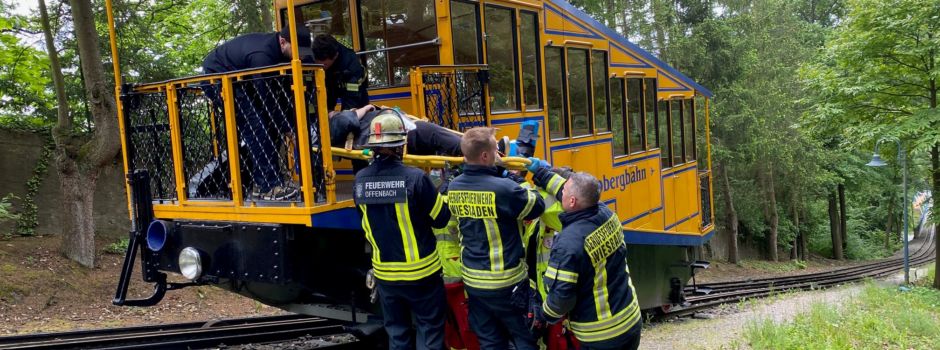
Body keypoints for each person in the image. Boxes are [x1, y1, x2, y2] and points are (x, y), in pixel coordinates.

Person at [353, 109, 451, 350]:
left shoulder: (360, 180)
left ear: (373, 147)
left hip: (385, 275)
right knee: (429, 332)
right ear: (401, 145)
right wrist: (446, 185)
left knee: (397, 335)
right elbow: (441, 219)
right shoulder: (416, 178)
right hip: (422, 276)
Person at [446, 127, 545, 350]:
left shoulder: (453, 187)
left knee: (490, 341)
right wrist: (512, 175)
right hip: (507, 281)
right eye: (494, 152)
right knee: (524, 337)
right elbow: (536, 205)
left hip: (473, 282)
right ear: (485, 156)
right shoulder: (504, 189)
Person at [528, 166, 642, 350]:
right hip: (631, 319)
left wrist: (543, 314)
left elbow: (561, 300)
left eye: (563, 190)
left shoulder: (568, 243)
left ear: (572, 201)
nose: (560, 192)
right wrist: (541, 173)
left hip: (601, 335)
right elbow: (569, 191)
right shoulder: (608, 215)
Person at [201, 25, 314, 200]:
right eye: (297, 50)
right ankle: (269, 187)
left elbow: (278, 96)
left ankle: (260, 183)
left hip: (241, 80)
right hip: (217, 77)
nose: (300, 55)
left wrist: (289, 123)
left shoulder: (279, 54)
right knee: (256, 127)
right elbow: (267, 97)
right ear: (283, 42)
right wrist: (287, 126)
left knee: (268, 126)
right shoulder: (262, 57)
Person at [312, 34, 369, 110]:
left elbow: (352, 98)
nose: (320, 67)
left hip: (355, 91)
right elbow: (329, 91)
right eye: (317, 63)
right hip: (333, 81)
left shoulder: (351, 66)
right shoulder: (318, 50)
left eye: (324, 64)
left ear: (335, 56)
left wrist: (344, 116)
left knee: (352, 115)